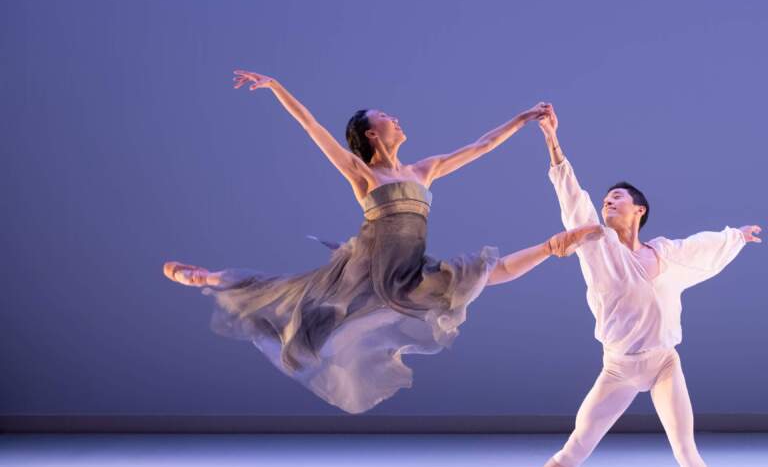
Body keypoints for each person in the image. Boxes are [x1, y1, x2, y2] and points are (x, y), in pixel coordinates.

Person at [163, 70, 601, 414]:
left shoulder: (423, 170)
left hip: (409, 272)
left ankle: (553, 246)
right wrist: (276, 86)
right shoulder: (364, 174)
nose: (395, 119)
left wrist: (524, 119)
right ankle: (209, 277)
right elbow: (312, 126)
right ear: (372, 134)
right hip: (366, 269)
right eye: (385, 117)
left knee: (485, 273)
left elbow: (482, 145)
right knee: (291, 297)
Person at [481, 107, 762, 467]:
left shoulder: (667, 254)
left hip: (663, 364)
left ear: (639, 210)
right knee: (576, 446)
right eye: (606, 198)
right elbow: (571, 196)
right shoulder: (595, 243)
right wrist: (553, 141)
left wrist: (738, 236)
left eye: (617, 198)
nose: (608, 202)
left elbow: (704, 246)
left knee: (686, 450)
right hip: (617, 368)